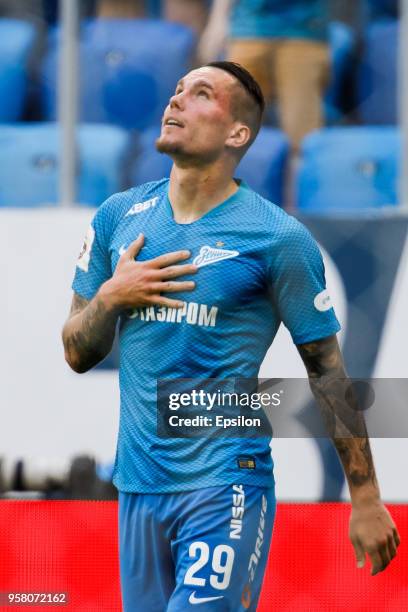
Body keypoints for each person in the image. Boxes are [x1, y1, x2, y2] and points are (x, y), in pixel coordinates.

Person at [62, 61, 400, 611]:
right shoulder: (116, 217)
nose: (175, 101)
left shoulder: (277, 237)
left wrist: (365, 497)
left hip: (226, 485)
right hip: (138, 486)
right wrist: (110, 298)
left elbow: (328, 373)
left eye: (200, 95)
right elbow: (77, 351)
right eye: (175, 90)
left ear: (237, 133)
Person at [199, 0, 331, 153]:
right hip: (248, 30)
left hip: (304, 32)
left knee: (302, 138)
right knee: (228, 129)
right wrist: (218, 20)